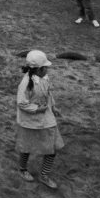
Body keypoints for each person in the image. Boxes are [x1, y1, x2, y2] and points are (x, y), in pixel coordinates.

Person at [15, 50, 64, 189]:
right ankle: (22, 169)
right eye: (45, 67)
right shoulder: (25, 84)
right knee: (26, 147)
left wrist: (53, 107)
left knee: (52, 148)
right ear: (39, 69)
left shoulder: (45, 77)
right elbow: (22, 103)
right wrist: (36, 109)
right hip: (30, 121)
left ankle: (44, 175)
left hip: (46, 118)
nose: (47, 69)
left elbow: (48, 93)